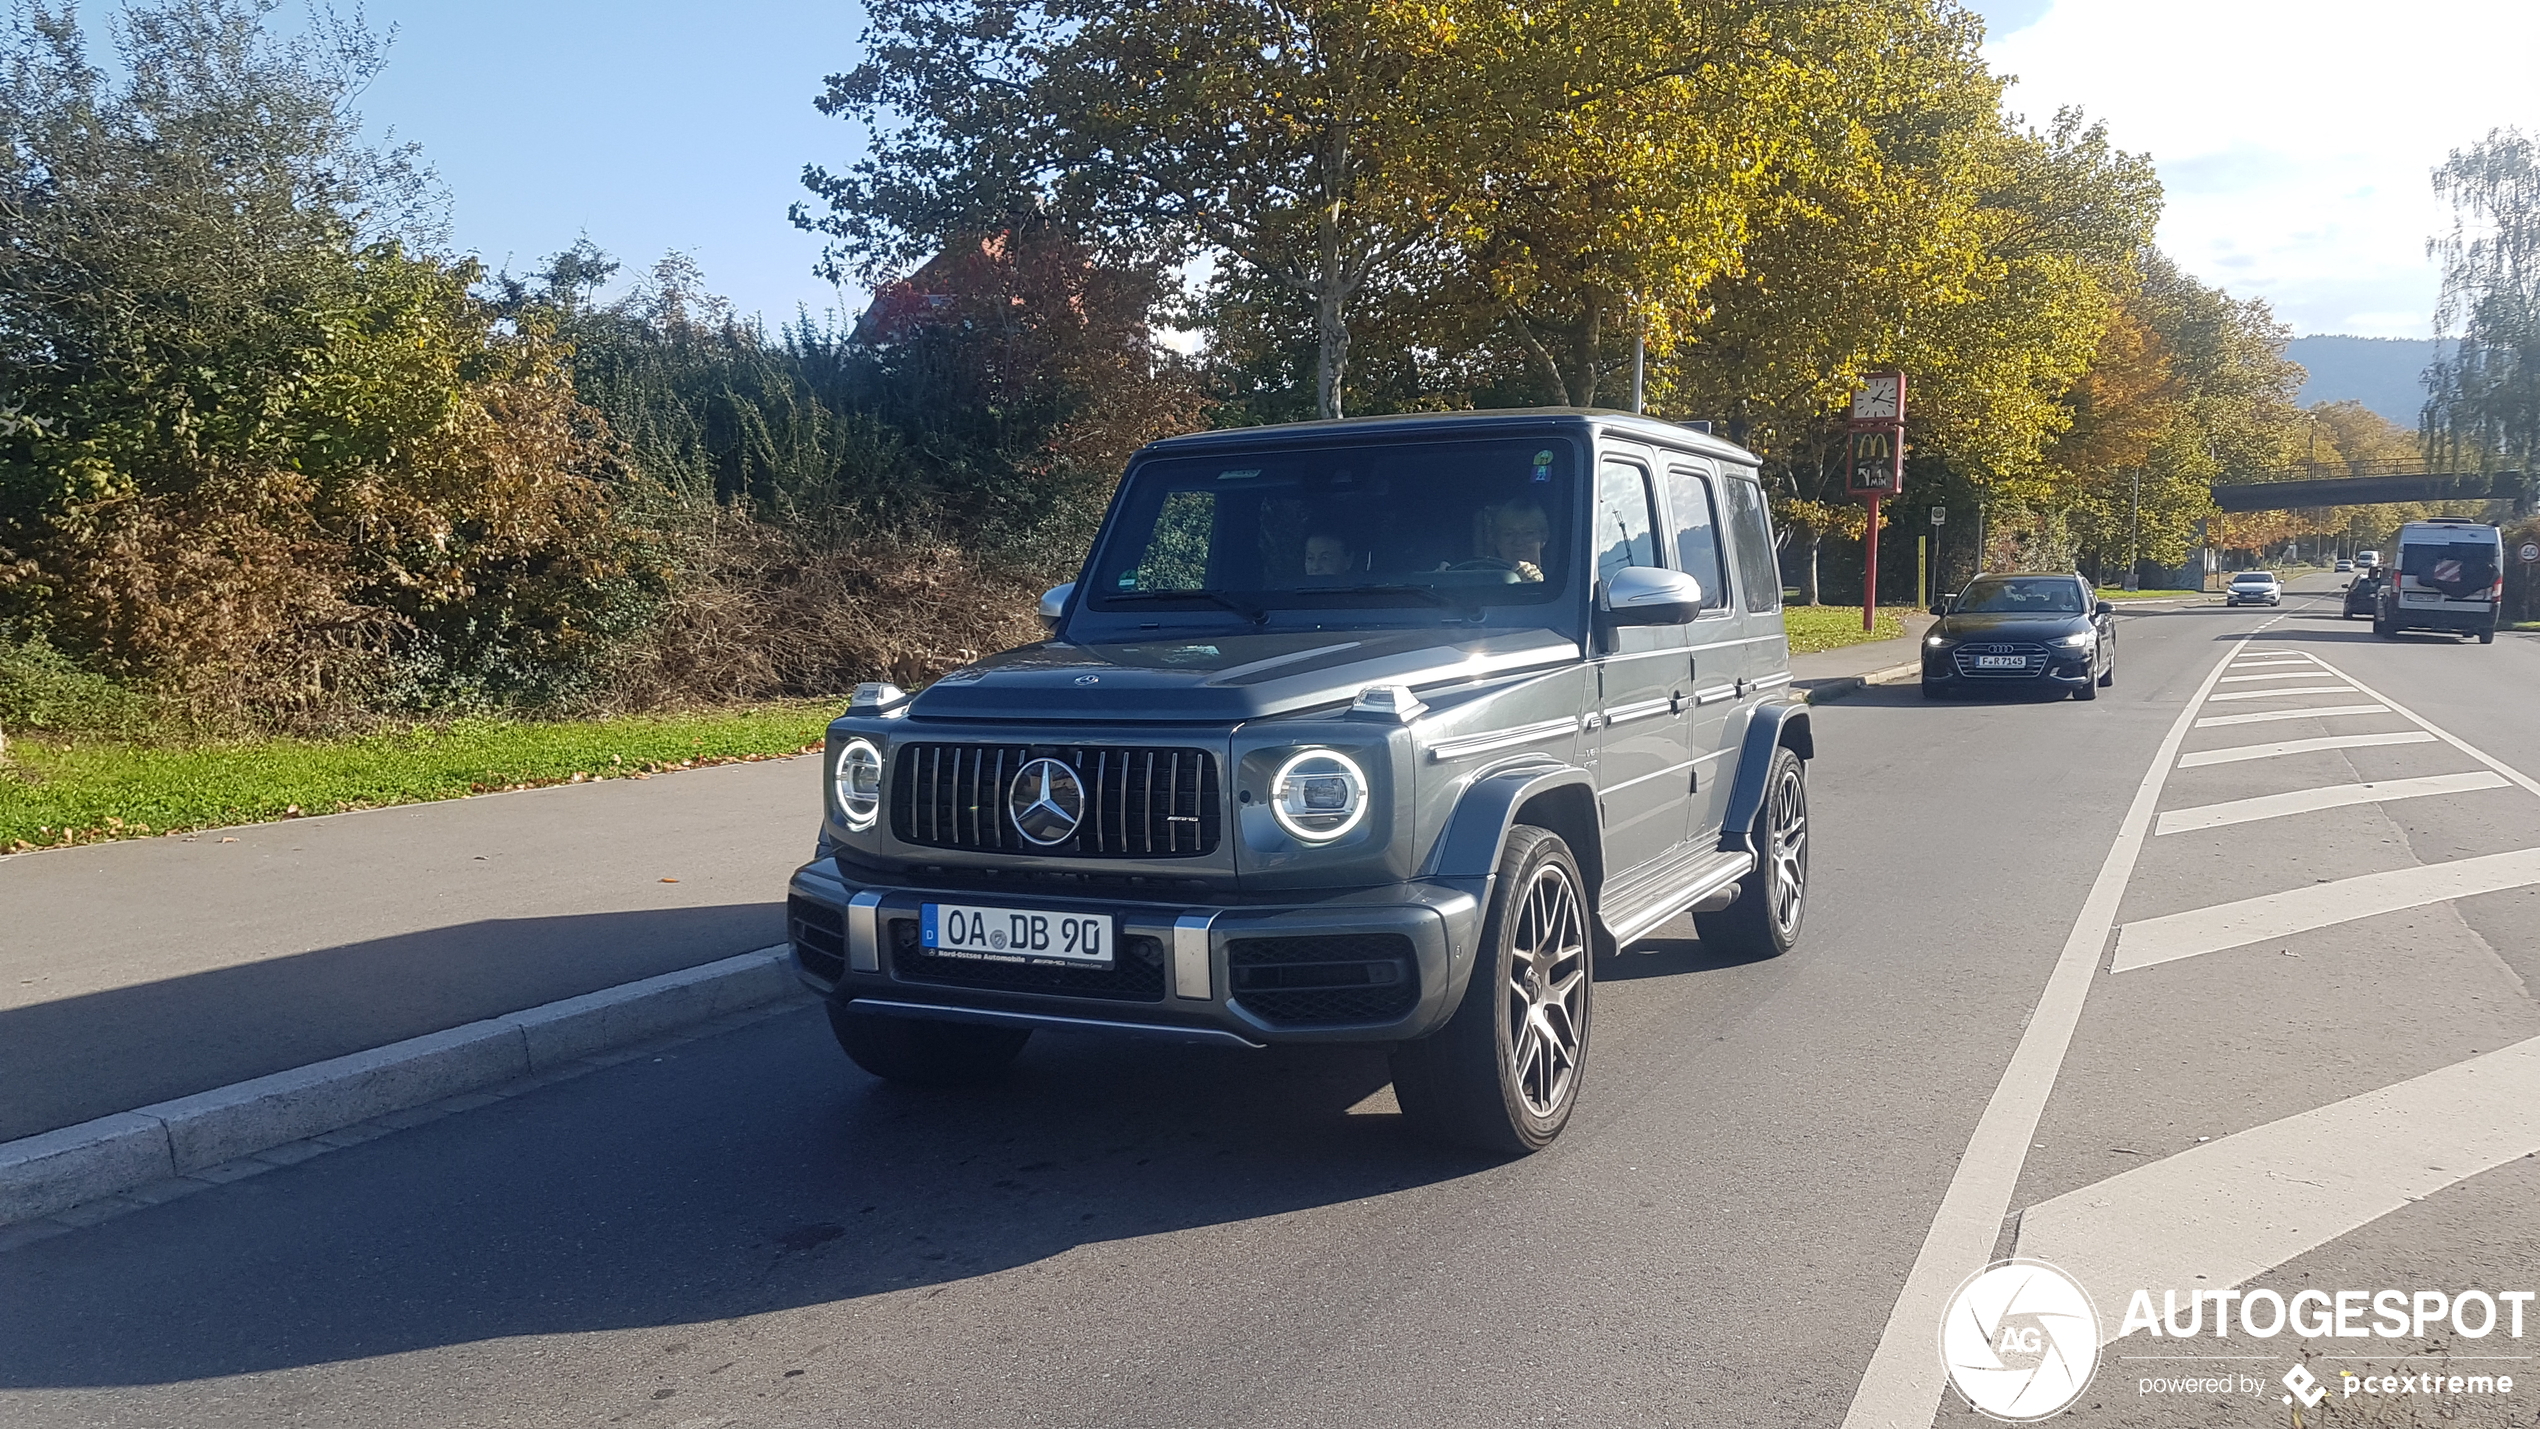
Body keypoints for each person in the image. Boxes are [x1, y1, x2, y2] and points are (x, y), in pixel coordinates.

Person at [1475, 499, 1549, 582]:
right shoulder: (1483, 582)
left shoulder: (1560, 583)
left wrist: (1537, 583)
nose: (1518, 542)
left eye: (1528, 533)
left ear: (1543, 538)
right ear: (1497, 540)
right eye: (1508, 534)